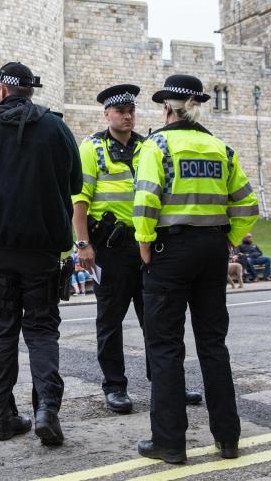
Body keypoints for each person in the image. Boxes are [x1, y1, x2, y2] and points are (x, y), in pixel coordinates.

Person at [132, 73, 258, 463]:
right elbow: (247, 206)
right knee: (213, 345)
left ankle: (169, 441)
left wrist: (144, 244)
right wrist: (229, 238)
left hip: (170, 249)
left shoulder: (157, 145)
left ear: (166, 107)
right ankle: (228, 438)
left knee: (166, 346)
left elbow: (146, 201)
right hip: (212, 249)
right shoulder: (221, 148)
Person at [0, 61, 82, 446]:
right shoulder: (57, 128)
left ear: (2, 90)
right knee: (43, 329)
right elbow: (75, 181)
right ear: (31, 90)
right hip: (43, 249)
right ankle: (47, 407)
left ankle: (2, 416)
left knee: (2, 330)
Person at [73, 83, 203, 414]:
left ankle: (166, 383)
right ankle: (115, 387)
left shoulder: (148, 146)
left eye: (131, 111)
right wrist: (83, 243)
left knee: (157, 320)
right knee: (110, 321)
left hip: (147, 244)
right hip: (110, 248)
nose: (127, 116)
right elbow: (79, 200)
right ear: (107, 114)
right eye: (120, 111)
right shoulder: (92, 148)